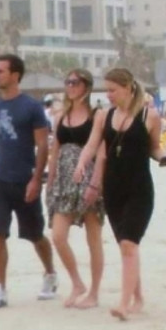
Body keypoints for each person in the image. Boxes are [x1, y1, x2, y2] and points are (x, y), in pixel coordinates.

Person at [76, 68, 166, 321]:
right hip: (113, 190)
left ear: (128, 88)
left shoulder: (149, 116)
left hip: (139, 189)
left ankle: (124, 305)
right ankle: (138, 298)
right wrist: (82, 163)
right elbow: (92, 145)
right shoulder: (104, 116)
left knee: (129, 244)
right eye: (107, 90)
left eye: (112, 90)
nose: (108, 95)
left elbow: (155, 149)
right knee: (126, 246)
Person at [0, 53, 57, 309]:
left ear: (15, 75)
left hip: (24, 179)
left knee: (35, 234)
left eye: (1, 71)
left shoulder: (31, 107)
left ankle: (50, 273)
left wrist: (36, 179)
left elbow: (42, 145)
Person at [45, 68, 104, 309]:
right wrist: (50, 181)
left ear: (86, 87)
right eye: (67, 82)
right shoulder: (61, 116)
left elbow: (101, 150)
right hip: (64, 180)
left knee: (93, 239)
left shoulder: (97, 115)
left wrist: (96, 182)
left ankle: (95, 292)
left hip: (88, 177)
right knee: (58, 236)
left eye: (75, 83)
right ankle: (77, 282)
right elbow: (55, 151)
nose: (70, 86)